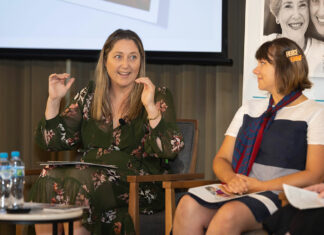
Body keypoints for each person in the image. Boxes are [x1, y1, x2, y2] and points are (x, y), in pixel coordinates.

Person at [29, 29, 184, 235]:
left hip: (136, 186)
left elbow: (169, 149)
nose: (125, 65)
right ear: (105, 60)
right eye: (118, 56)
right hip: (88, 184)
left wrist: (151, 109)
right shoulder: (90, 96)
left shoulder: (156, 95)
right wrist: (54, 101)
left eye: (133, 57)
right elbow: (52, 142)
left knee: (77, 184)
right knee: (49, 177)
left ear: (141, 62)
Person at [172, 37, 324, 235]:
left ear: (285, 68)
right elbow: (221, 159)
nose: (255, 70)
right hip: (240, 190)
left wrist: (260, 186)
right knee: (187, 205)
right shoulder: (249, 108)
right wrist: (232, 179)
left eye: (263, 64)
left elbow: (315, 174)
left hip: (280, 195)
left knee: (228, 214)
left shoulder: (315, 112)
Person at [266, 0, 324, 76]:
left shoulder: (322, 51)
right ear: (277, 15)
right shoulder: (261, 44)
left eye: (302, 5)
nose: (296, 16)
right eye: (288, 6)